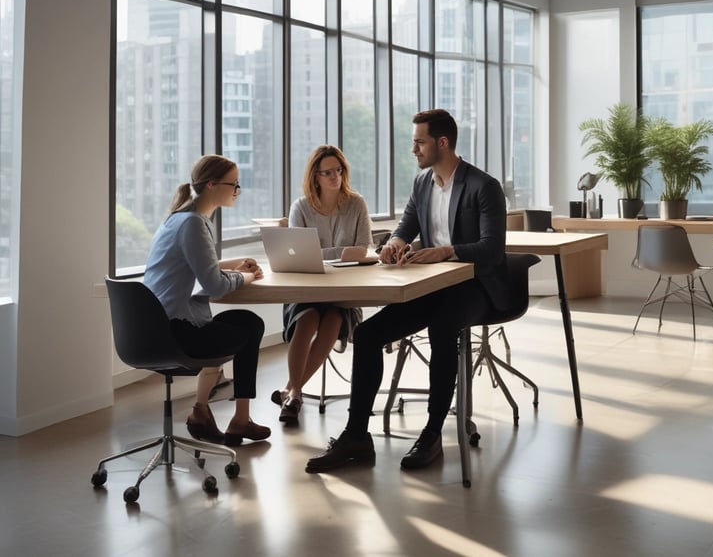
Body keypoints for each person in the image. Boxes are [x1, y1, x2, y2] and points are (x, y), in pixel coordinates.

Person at [305, 109, 511, 474]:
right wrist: (395, 242)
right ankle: (356, 436)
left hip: (473, 286)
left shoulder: (483, 186)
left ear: (442, 143)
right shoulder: (422, 183)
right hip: (431, 284)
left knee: (443, 328)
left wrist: (448, 251)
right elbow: (407, 224)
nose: (413, 149)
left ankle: (432, 434)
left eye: (419, 142)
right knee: (368, 335)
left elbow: (493, 250)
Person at [143, 154, 271, 447]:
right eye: (234, 184)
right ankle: (238, 418)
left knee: (246, 321)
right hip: (176, 335)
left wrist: (235, 265)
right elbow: (213, 284)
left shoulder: (177, 219)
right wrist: (249, 277)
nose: (237, 191)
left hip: (154, 329)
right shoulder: (193, 223)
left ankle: (206, 411)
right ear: (212, 185)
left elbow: (200, 265)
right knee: (250, 329)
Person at [272, 145, 373, 425]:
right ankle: (297, 393)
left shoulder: (357, 204)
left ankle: (291, 392)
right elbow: (299, 253)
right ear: (315, 176)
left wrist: (328, 253)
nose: (334, 178)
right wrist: (340, 253)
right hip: (307, 288)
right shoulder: (301, 207)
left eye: (338, 171)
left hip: (344, 291)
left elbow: (364, 249)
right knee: (307, 319)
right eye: (327, 173)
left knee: (332, 320)